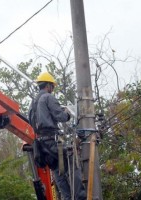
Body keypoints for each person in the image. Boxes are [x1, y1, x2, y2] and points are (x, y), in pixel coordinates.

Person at [29, 72, 87, 200]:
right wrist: (67, 113)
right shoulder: (48, 98)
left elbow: (30, 121)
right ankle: (80, 196)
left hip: (41, 145)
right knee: (71, 157)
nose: (52, 89)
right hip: (51, 140)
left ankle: (67, 197)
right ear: (48, 86)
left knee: (57, 168)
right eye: (52, 87)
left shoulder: (33, 103)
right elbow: (60, 117)